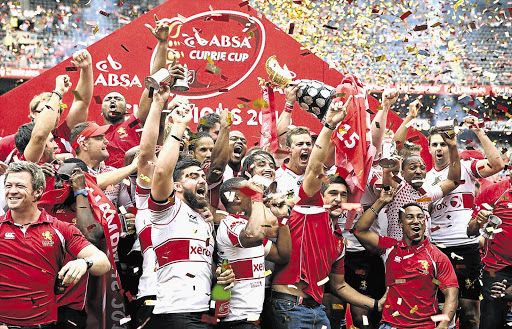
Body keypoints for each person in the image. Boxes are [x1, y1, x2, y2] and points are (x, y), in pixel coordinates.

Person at [271, 97, 387, 329]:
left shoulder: (339, 241)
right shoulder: (307, 211)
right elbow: (314, 168)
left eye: (344, 196)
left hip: (317, 311)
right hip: (289, 306)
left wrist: (375, 304)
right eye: (332, 193)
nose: (338, 199)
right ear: (319, 196)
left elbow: (340, 286)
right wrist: (329, 125)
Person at [147, 87, 235, 328]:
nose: (201, 180)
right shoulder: (167, 210)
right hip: (176, 313)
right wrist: (178, 126)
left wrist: (223, 275)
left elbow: (208, 269)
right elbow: (163, 171)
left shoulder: (205, 219)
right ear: (176, 186)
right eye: (192, 176)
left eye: (202, 176)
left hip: (205, 314)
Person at [0, 161, 110, 328]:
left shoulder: (59, 228)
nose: (12, 190)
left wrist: (84, 262)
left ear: (38, 192)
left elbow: (103, 262)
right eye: (8, 185)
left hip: (47, 324)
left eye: (20, 186)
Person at [425, 116, 505, 329]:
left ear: (452, 144)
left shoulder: (468, 167)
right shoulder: (424, 178)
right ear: (429, 148)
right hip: (437, 250)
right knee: (441, 312)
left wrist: (479, 132)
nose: (440, 148)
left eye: (444, 143)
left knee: (470, 313)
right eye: (435, 144)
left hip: (467, 246)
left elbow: (498, 164)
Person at [354, 195, 459, 329]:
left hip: (424, 326)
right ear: (400, 223)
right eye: (410, 217)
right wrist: (381, 201)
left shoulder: (437, 257)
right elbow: (359, 230)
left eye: (420, 217)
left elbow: (451, 294)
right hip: (390, 325)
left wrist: (443, 324)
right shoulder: (390, 247)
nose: (416, 221)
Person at [101, 16, 185, 168]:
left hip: (135, 186)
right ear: (101, 112)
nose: (113, 100)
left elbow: (153, 88)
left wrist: (162, 43)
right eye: (108, 99)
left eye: (118, 98)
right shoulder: (95, 134)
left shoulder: (132, 125)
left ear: (127, 110)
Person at [216, 177, 291, 328]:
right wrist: (257, 197)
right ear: (236, 197)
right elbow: (255, 235)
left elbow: (282, 255)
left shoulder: (247, 228)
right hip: (236, 321)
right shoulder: (231, 225)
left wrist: (282, 218)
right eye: (251, 191)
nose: (259, 194)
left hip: (252, 319)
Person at [38, 158, 105, 329]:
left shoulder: (92, 208)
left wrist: (80, 191)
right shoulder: (47, 205)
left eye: (67, 179)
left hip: (69, 306)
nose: (60, 184)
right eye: (58, 177)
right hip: (37, 303)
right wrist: (37, 183)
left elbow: (90, 235)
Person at [0, 49, 93, 164]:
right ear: (32, 113)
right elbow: (39, 135)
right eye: (45, 110)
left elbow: (81, 101)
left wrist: (86, 69)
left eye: (57, 110)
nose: (52, 114)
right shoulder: (10, 143)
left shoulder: (65, 134)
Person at [468, 169, 512, 329]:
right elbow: (470, 231)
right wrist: (478, 221)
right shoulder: (493, 191)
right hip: (495, 270)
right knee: (491, 322)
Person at [274, 126, 313, 198]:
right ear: (289, 150)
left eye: (308, 144)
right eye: (300, 144)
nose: (305, 147)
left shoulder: (318, 173)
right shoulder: (276, 177)